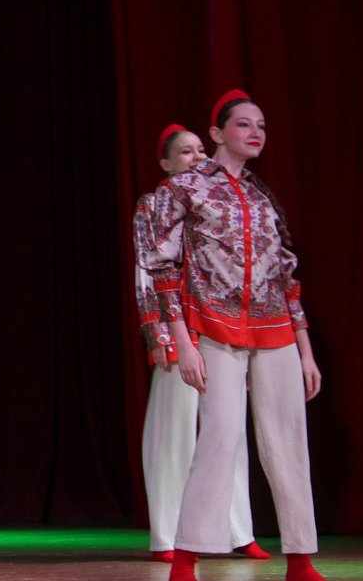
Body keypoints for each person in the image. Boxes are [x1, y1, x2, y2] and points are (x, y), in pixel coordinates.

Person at [142, 90, 326, 581]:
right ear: (217, 133)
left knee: (288, 439)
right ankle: (187, 556)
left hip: (275, 331)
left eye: (261, 124)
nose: (255, 132)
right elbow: (162, 267)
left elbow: (286, 278)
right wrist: (181, 340)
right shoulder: (185, 188)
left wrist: (306, 351)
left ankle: (300, 560)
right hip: (214, 326)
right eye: (244, 124)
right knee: (220, 436)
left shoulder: (263, 199)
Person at [134, 124, 267, 563]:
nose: (196, 158)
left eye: (199, 150)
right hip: (178, 327)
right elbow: (147, 271)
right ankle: (168, 535)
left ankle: (238, 529)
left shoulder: (216, 201)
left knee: (228, 430)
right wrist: (157, 331)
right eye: (185, 153)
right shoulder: (154, 204)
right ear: (166, 164)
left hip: (217, 325)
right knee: (175, 432)